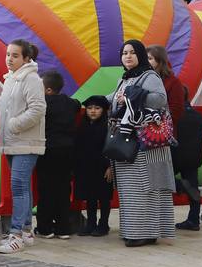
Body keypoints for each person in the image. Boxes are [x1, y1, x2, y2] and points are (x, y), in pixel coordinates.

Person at [110, 39, 176, 246]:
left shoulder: (149, 76)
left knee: (147, 187)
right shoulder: (126, 79)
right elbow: (114, 98)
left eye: (132, 52)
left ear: (139, 55)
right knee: (131, 190)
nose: (127, 56)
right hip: (129, 141)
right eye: (124, 53)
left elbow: (160, 99)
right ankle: (135, 231)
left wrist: (135, 95)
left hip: (147, 144)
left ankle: (146, 233)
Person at [0, 39, 46, 254]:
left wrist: (14, 125)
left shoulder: (31, 79)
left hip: (26, 142)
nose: (9, 59)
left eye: (15, 55)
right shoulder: (12, 79)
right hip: (12, 142)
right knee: (23, 187)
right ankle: (27, 230)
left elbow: (38, 108)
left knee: (18, 187)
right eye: (8, 54)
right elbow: (3, 103)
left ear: (27, 58)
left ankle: (16, 234)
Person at [149, 45, 199, 230]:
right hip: (156, 139)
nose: (148, 62)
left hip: (165, 138)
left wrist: (154, 120)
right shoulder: (144, 80)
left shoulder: (172, 82)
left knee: (166, 178)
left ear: (160, 61)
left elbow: (175, 111)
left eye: (151, 58)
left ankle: (191, 217)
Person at [36, 71, 79, 239]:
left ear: (47, 90)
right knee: (63, 189)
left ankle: (45, 227)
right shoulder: (69, 103)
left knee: (46, 189)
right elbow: (76, 103)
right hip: (67, 150)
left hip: (48, 150)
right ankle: (63, 228)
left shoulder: (43, 103)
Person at [75, 96, 112, 235]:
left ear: (104, 110)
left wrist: (110, 167)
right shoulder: (82, 125)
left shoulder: (108, 126)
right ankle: (91, 223)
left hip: (103, 168)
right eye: (90, 108)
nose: (93, 111)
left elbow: (112, 148)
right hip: (86, 167)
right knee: (90, 197)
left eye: (97, 108)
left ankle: (103, 224)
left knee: (103, 197)